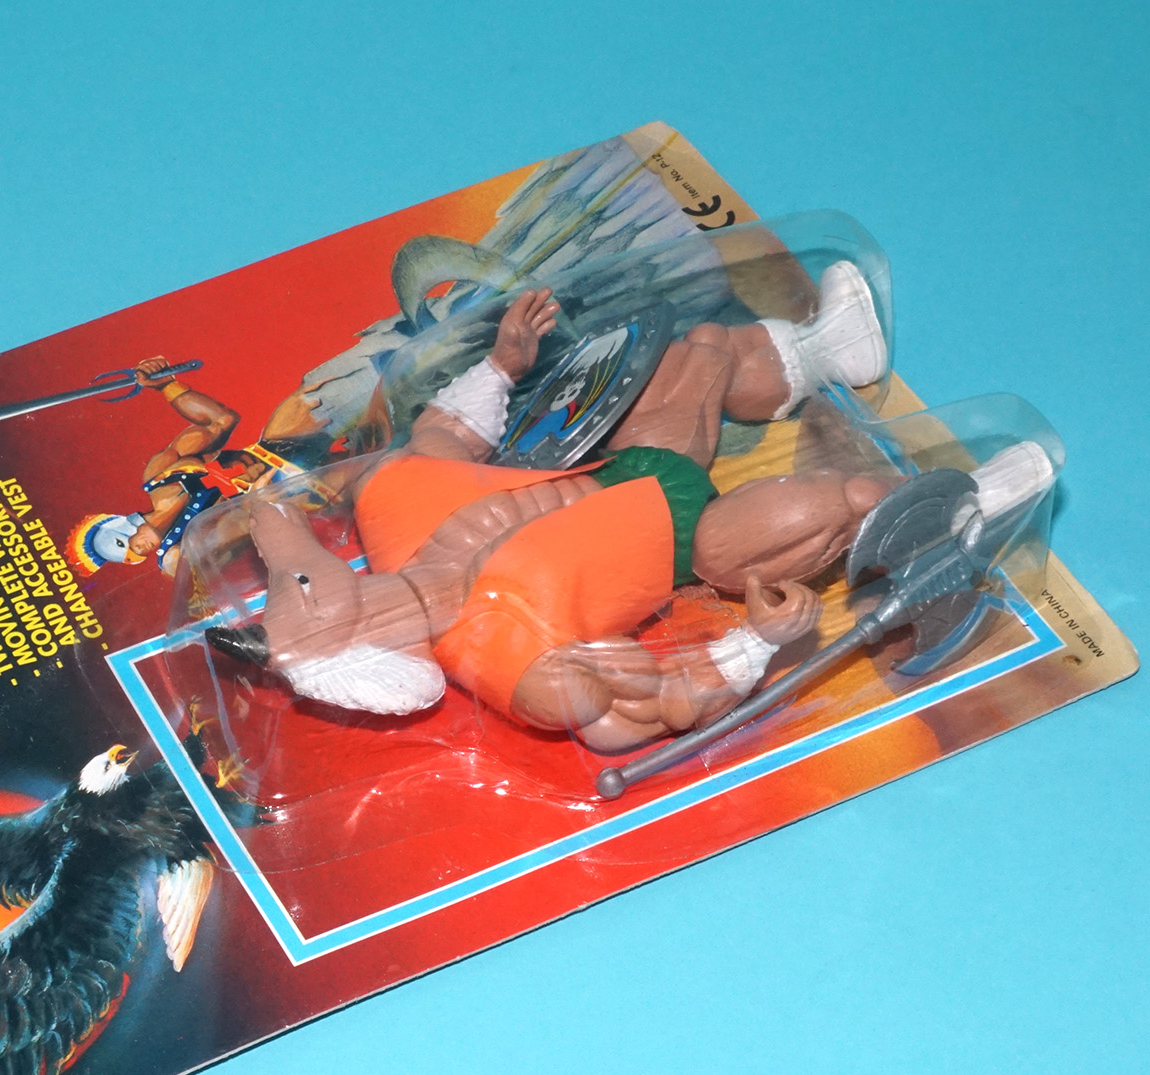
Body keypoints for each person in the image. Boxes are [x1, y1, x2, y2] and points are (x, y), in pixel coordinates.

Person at [205, 267, 1050, 753]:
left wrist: (505, 364)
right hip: (699, 546)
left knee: (698, 350)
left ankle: (831, 350)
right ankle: (977, 509)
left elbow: (445, 434)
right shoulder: (514, 667)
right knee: (847, 500)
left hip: (625, 465)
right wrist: (758, 642)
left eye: (295, 580)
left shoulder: (392, 503)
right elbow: (633, 718)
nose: (304, 573)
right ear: (351, 645)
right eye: (303, 589)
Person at [68, 358, 277, 579]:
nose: (141, 549)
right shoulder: (177, 551)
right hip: (282, 496)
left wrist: (167, 385)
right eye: (137, 554)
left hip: (268, 453)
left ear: (126, 528)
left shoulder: (159, 476)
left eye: (131, 545)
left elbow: (219, 421)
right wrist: (254, 501)